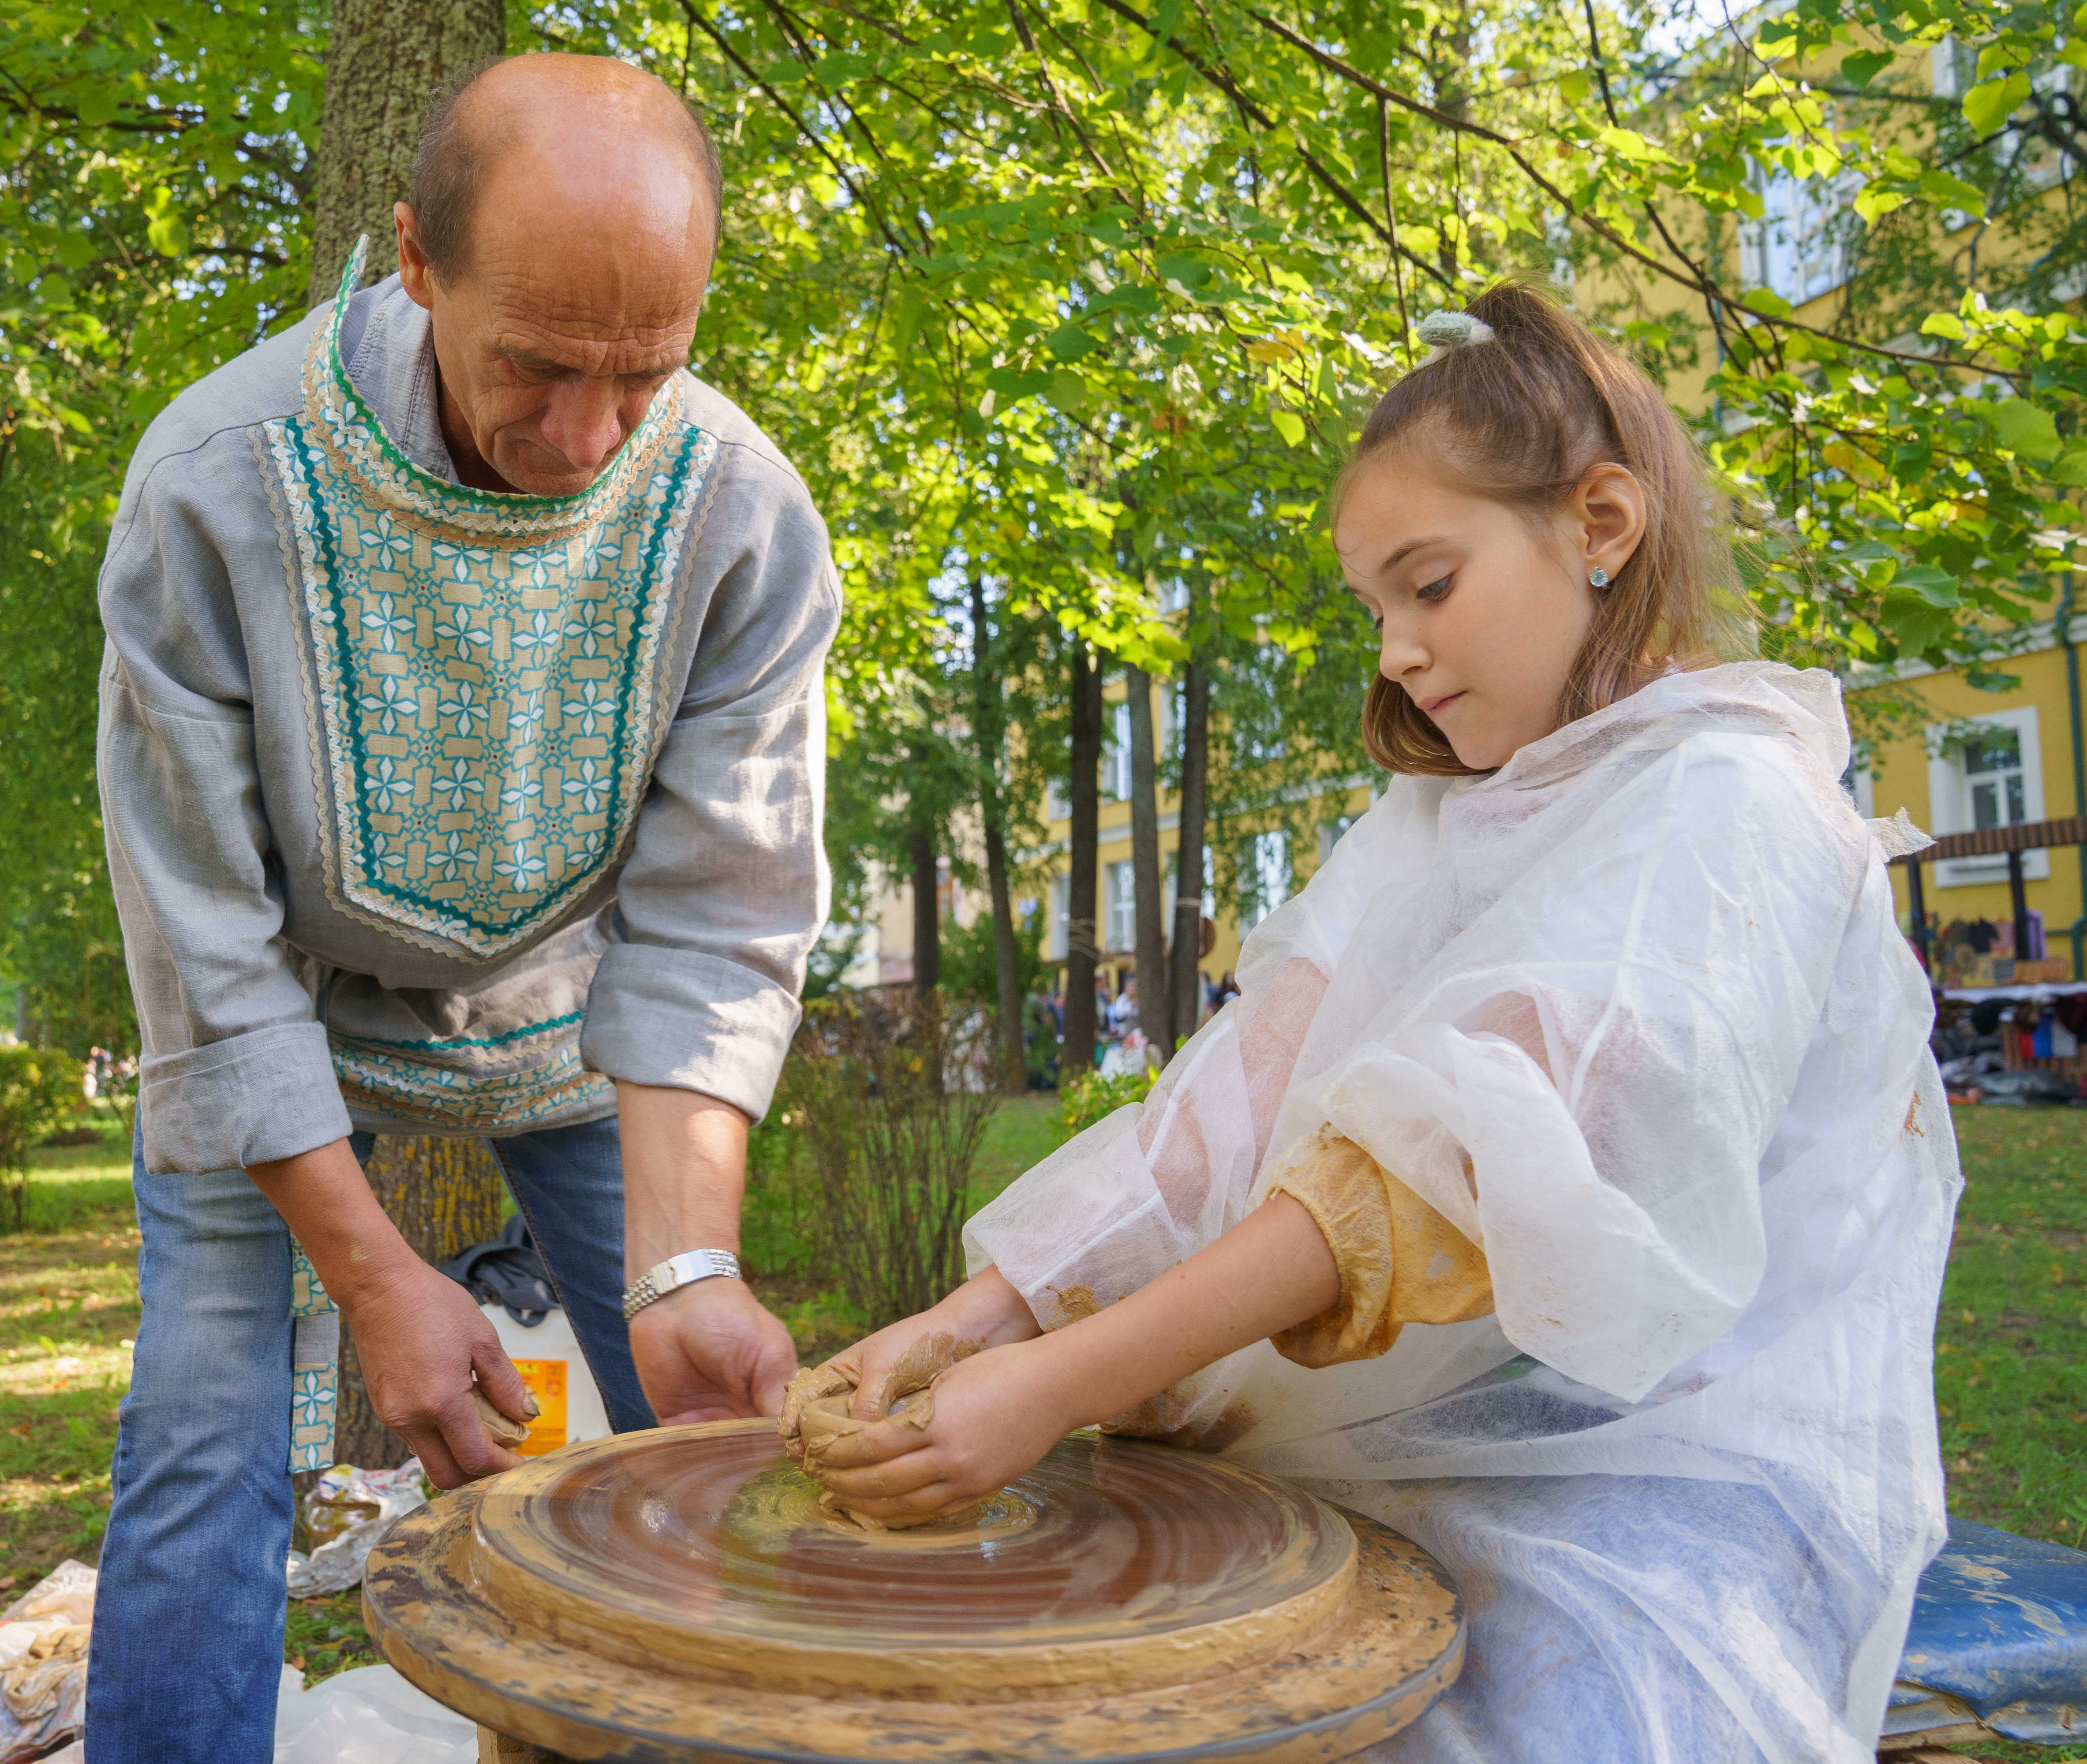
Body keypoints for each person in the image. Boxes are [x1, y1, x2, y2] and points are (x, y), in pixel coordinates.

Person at [796, 285, 1955, 1763]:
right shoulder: (1438, 820)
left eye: (1431, 584)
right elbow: (1215, 1121)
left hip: (1668, 1493)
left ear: (1601, 525)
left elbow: (1434, 1180)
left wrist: (1057, 1385)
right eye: (1377, 609)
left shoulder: (1731, 806)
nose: (1399, 649)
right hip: (1399, 1466)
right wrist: (971, 1330)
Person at [86, 51, 837, 1764]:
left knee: (697, 1426)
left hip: (572, 1017)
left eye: (641, 375)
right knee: (205, 1441)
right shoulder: (215, 482)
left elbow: (717, 926)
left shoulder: (742, 519)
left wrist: (689, 1255)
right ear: (417, 260)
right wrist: (374, 1273)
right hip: (262, 1011)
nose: (583, 440)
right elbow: (201, 941)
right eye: (537, 366)